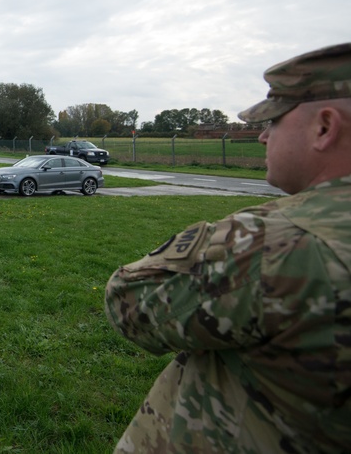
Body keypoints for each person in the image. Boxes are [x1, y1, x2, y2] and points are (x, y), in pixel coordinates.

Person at [104, 42, 351, 454]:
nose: (261, 135)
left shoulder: (279, 242)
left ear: (324, 127)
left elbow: (127, 301)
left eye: (274, 120)